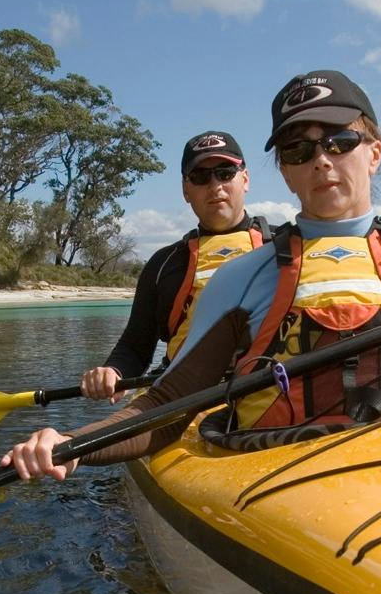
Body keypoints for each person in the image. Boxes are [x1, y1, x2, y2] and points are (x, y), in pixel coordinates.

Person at [5, 69, 381, 480]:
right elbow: (167, 406)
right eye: (299, 150)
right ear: (284, 171)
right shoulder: (241, 280)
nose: (322, 160)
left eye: (340, 141)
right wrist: (71, 446)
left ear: (375, 151)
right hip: (276, 471)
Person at [77, 130, 268, 400]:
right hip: (182, 398)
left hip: (265, 394)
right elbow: (134, 347)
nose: (215, 186)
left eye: (225, 173)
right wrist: (112, 371)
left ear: (245, 179)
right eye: (200, 177)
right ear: (185, 190)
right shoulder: (164, 264)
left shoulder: (287, 247)